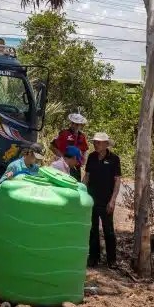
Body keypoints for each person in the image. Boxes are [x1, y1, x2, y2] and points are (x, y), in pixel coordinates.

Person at [83, 132, 122, 268]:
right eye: (95, 142)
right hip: (92, 199)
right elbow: (87, 176)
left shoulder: (114, 159)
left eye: (99, 142)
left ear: (106, 144)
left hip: (106, 200)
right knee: (92, 229)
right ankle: (94, 257)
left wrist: (113, 200)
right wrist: (81, 191)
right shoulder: (92, 157)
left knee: (108, 230)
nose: (96, 145)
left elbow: (117, 181)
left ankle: (112, 260)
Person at [52, 113, 89, 180]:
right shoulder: (64, 134)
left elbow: (85, 149)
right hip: (65, 164)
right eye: (75, 124)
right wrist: (62, 158)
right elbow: (54, 147)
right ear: (72, 123)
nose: (76, 126)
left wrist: (83, 161)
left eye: (79, 125)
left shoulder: (82, 136)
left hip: (76, 165)